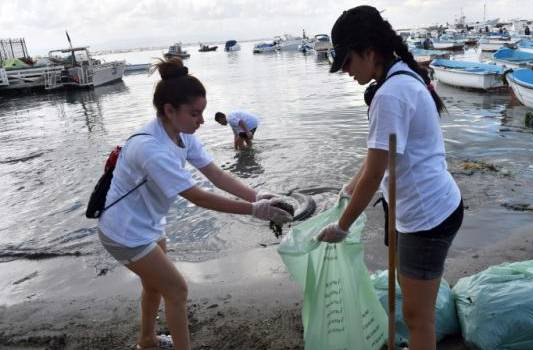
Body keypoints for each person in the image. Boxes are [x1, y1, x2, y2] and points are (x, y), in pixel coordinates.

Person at [97, 58, 292, 350]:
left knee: (154, 286)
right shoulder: (151, 148)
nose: (202, 120)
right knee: (176, 289)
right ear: (169, 110)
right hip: (123, 231)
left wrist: (256, 195)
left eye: (202, 112)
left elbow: (214, 173)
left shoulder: (181, 135)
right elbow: (197, 196)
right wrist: (255, 211)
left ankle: (147, 341)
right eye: (195, 113)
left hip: (147, 223)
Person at [318, 6, 463, 350]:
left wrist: (343, 225)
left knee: (417, 318)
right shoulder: (402, 76)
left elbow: (375, 171)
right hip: (430, 206)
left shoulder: (390, 94)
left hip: (426, 218)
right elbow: (377, 160)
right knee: (415, 305)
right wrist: (348, 188)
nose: (347, 72)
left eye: (348, 62)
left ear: (368, 52)